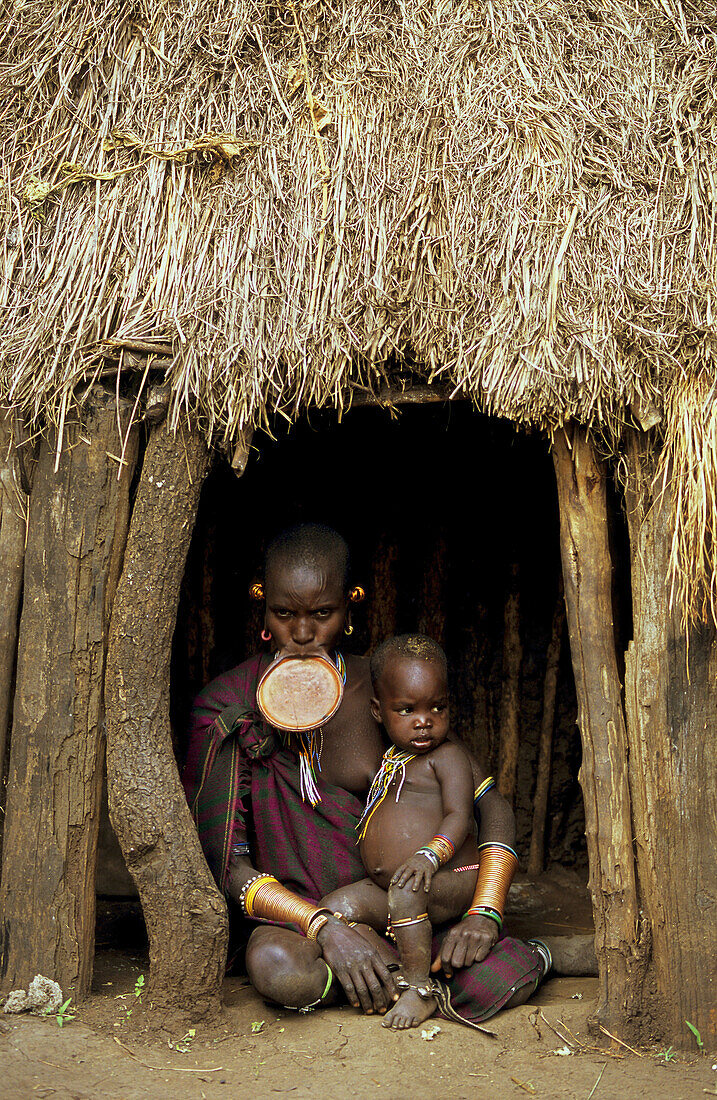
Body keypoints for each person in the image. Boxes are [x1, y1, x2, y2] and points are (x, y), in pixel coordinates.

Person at [182, 523, 549, 1026]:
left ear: (351, 605)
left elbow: (490, 805)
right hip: (300, 919)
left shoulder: (385, 692)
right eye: (284, 613)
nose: (304, 634)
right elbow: (227, 861)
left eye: (322, 614)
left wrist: (486, 910)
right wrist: (322, 925)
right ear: (261, 604)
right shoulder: (227, 706)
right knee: (277, 969)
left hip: (400, 909)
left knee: (475, 959)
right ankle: (410, 981)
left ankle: (407, 973)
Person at [320, 634, 510, 1030]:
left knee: (406, 893)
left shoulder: (449, 757)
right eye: (407, 710)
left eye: (436, 708)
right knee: (336, 907)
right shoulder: (393, 760)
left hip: (448, 876)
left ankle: (421, 989)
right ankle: (394, 976)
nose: (424, 721)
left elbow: (462, 815)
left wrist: (430, 855)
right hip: (399, 887)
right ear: (378, 711)